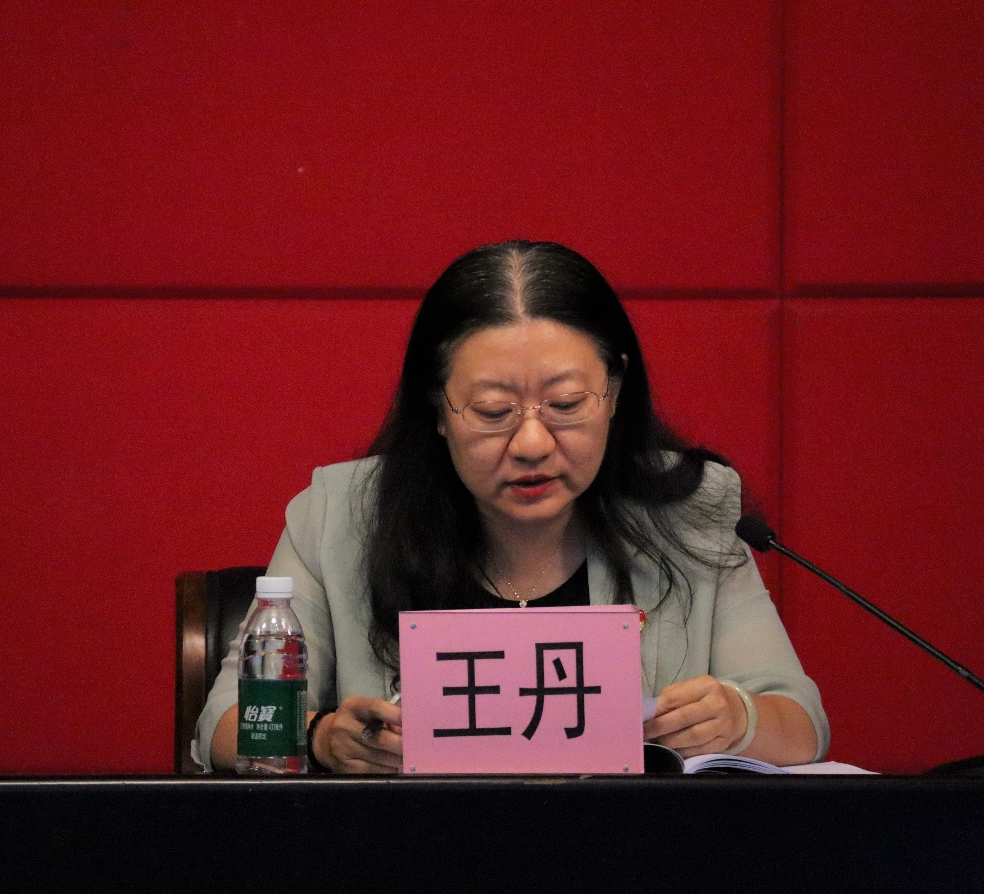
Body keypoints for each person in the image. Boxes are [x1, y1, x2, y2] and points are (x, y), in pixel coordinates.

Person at [195, 240, 827, 773]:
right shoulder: (338, 516)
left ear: (613, 391)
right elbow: (224, 722)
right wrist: (320, 737)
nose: (531, 444)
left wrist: (738, 719)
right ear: (438, 408)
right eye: (493, 411)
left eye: (567, 405)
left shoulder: (688, 509)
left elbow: (802, 726)